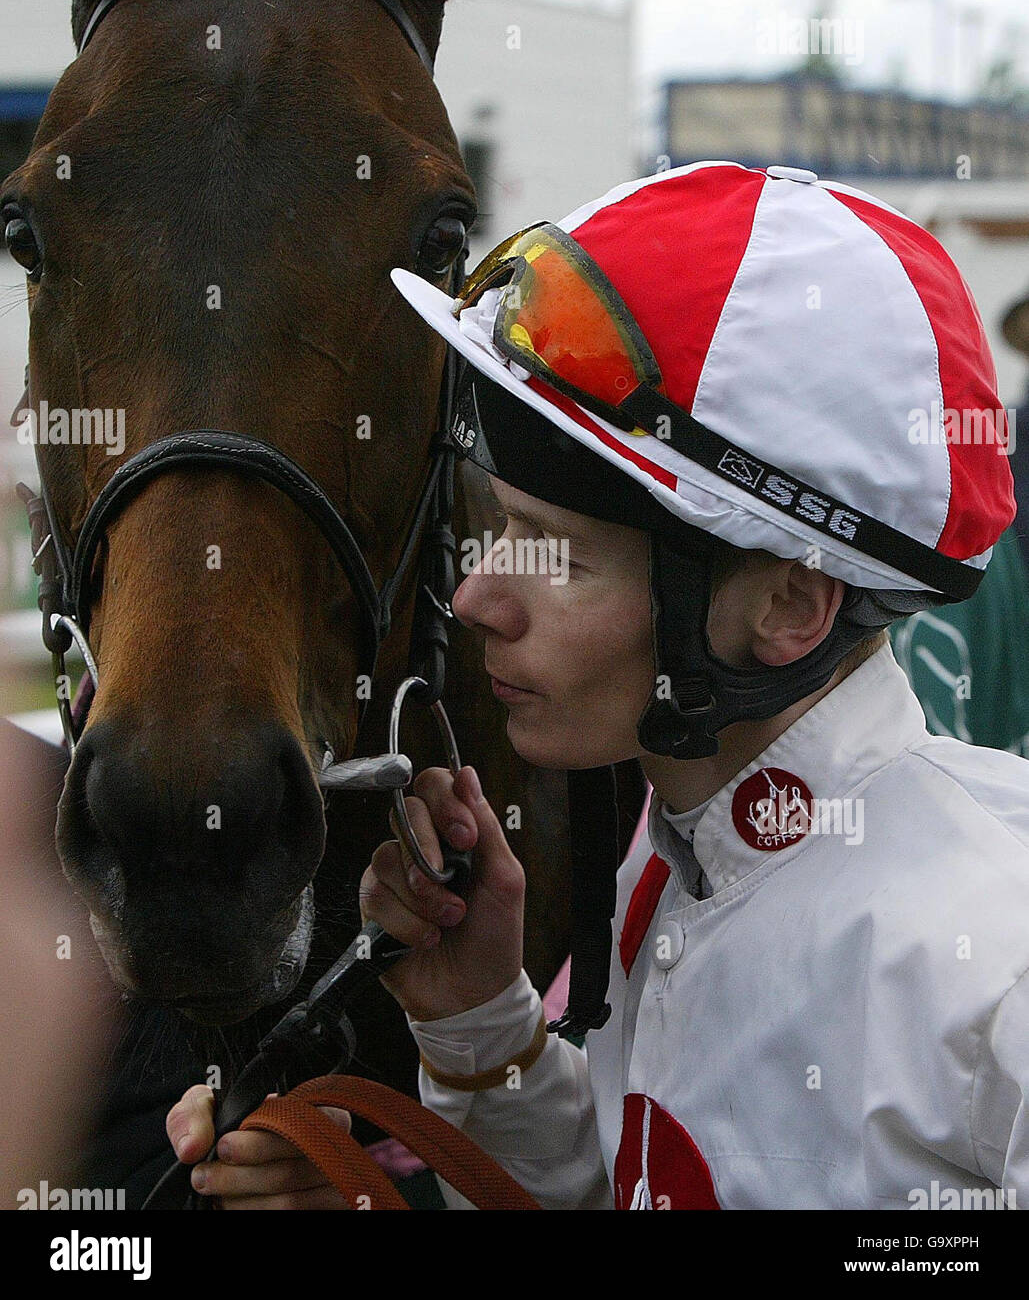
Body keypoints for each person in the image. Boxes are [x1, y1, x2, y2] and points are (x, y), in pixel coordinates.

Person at [168, 161, 1029, 1210]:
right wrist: (480, 1020)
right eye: (496, 528)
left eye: (554, 553)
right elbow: (618, 1185)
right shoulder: (675, 859)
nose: (478, 598)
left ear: (789, 609)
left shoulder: (997, 963)